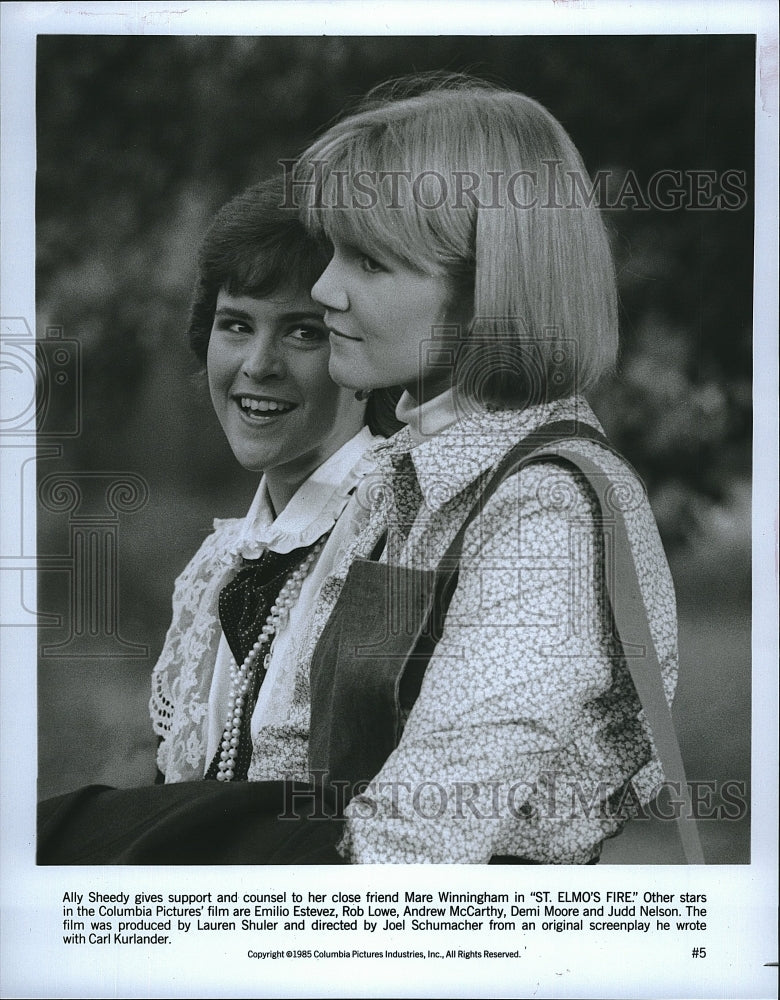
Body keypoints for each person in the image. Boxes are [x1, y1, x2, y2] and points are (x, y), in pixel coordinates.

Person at [286, 73, 695, 864]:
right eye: (331, 251)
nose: (321, 288)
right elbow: (295, 758)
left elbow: (418, 842)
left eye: (368, 262)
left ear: (488, 295)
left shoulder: (547, 513)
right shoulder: (410, 472)